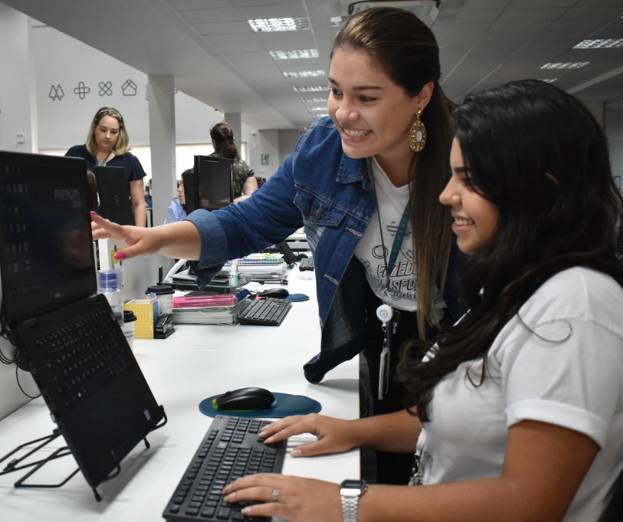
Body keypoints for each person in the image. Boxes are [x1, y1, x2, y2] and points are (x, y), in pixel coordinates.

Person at [217, 80, 623, 522]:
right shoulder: (518, 288)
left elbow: (529, 505)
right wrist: (353, 431)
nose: (446, 195)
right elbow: (459, 419)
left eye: (469, 180)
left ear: (541, 189)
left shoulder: (572, 311)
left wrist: (346, 504)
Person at [91, 7, 458, 484]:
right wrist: (158, 237)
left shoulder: (468, 160)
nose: (344, 113)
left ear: (421, 96)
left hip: (458, 343)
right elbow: (248, 222)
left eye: (366, 97)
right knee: (389, 470)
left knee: (451, 464)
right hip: (382, 334)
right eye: (336, 91)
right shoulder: (322, 151)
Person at [66, 106, 148, 226]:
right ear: (94, 128)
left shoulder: (130, 161)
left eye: (114, 132)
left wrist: (139, 233)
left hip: (119, 227)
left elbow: (138, 204)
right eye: (103, 130)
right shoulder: (75, 154)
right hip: (82, 225)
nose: (108, 136)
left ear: (120, 134)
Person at [209, 121, 255, 199]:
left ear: (213, 142)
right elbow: (251, 197)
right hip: (236, 206)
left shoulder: (204, 164)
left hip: (210, 207)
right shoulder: (243, 167)